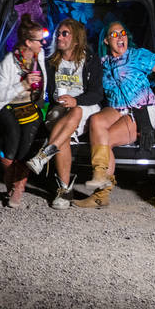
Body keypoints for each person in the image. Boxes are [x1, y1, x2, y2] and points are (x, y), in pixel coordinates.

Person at [75, 20, 155, 209]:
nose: (120, 37)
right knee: (96, 121)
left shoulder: (137, 56)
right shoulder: (103, 63)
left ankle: (101, 193)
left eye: (123, 33)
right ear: (106, 41)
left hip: (140, 110)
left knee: (105, 139)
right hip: (116, 108)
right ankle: (100, 174)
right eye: (114, 34)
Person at [24, 18, 103, 209]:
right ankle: (65, 191)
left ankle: (44, 156)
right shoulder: (51, 62)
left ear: (76, 39)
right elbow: (44, 90)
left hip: (85, 108)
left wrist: (76, 100)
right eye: (58, 33)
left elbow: (97, 93)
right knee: (63, 136)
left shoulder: (90, 60)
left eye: (64, 33)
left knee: (74, 112)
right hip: (58, 109)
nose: (59, 37)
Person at [0, 14, 48, 208]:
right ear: (28, 42)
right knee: (13, 135)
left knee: (28, 141)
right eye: (40, 40)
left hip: (30, 106)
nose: (44, 43)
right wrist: (23, 84)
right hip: (6, 105)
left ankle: (18, 189)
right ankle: (10, 184)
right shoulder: (9, 61)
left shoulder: (40, 57)